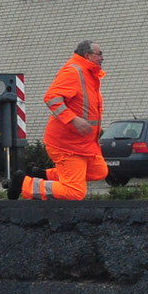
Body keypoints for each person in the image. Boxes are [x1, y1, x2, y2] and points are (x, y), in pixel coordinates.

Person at [9, 40, 107, 201]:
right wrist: (74, 120)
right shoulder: (73, 72)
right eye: (100, 54)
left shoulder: (89, 75)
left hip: (83, 144)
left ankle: (42, 174)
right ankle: (23, 184)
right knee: (75, 192)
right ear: (87, 55)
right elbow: (51, 97)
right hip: (67, 144)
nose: (103, 58)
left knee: (99, 171)